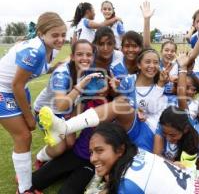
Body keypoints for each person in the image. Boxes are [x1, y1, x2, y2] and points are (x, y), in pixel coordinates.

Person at [38, 48, 170, 152]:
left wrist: (161, 84)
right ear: (139, 65)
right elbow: (122, 101)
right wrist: (116, 90)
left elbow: (153, 107)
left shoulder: (165, 84)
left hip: (149, 131)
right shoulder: (129, 80)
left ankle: (65, 128)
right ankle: (64, 129)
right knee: (111, 119)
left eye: (156, 62)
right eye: (147, 62)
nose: (152, 65)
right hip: (130, 124)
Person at [0, 12, 67, 194]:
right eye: (55, 35)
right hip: (5, 90)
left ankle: (23, 178)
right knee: (23, 136)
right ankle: (24, 189)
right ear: (41, 34)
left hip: (18, 89)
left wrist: (55, 66)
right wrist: (29, 116)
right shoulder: (35, 51)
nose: (60, 39)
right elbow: (16, 84)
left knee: (24, 137)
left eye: (63, 34)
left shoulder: (52, 49)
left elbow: (35, 72)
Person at [86, 122, 199, 194]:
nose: (93, 158)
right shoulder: (138, 152)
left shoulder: (128, 186)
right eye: (91, 152)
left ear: (119, 150)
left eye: (99, 150)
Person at [33, 39, 104, 167]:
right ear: (72, 56)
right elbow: (61, 105)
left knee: (70, 144)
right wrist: (80, 86)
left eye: (88, 55)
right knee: (59, 148)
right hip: (47, 112)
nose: (85, 58)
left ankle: (55, 153)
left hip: (66, 110)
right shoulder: (62, 74)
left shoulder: (88, 69)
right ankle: (40, 158)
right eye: (80, 54)